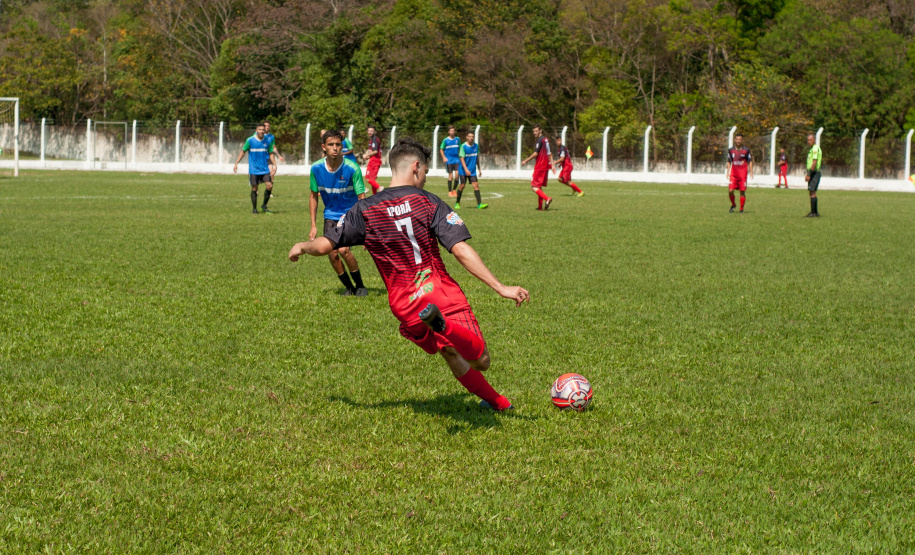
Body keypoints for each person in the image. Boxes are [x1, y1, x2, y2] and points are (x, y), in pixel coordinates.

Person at [289, 137, 529, 411]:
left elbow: (323, 245)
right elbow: (460, 249)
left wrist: (301, 246)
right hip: (439, 293)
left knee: (449, 351)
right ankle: (444, 326)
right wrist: (500, 287)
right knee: (480, 360)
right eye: (425, 172)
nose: (425, 179)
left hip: (404, 305)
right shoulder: (428, 202)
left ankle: (499, 404)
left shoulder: (364, 210)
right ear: (416, 167)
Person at [308, 129, 369, 296]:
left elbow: (362, 198)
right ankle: (349, 288)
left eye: (338, 145)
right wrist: (313, 225)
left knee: (343, 250)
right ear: (324, 147)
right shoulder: (316, 168)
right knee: (332, 253)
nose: (335, 148)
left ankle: (361, 286)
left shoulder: (351, 168)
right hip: (330, 215)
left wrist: (365, 226)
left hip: (349, 214)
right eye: (331, 145)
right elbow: (313, 196)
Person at [233, 123, 277, 214]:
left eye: (263, 130)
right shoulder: (250, 140)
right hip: (254, 169)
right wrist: (236, 163)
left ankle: (264, 206)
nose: (261, 131)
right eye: (259, 129)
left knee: (269, 186)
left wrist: (275, 165)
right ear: (256, 130)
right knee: (254, 189)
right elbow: (243, 151)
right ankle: (254, 209)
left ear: (265, 131)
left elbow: (271, 153)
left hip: (264, 169)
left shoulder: (267, 141)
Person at [520, 125, 553, 210]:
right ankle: (540, 207)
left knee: (533, 187)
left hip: (539, 166)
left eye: (536, 131)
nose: (534, 133)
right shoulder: (546, 140)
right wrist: (552, 165)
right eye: (533, 131)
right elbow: (550, 153)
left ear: (540, 131)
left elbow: (535, 154)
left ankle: (547, 198)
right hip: (545, 166)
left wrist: (525, 161)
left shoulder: (540, 140)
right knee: (539, 187)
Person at [455, 131, 488, 210]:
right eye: (469, 136)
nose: (471, 138)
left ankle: (479, 204)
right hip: (463, 170)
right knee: (462, 186)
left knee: (476, 185)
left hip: (472, 171)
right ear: (467, 137)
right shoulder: (463, 146)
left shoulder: (476, 146)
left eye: (472, 136)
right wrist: (466, 170)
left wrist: (479, 169)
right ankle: (457, 203)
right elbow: (462, 159)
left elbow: (477, 158)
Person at [726, 133, 753, 213]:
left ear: (742, 140)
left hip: (742, 174)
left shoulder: (746, 150)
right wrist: (727, 172)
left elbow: (750, 161)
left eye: (740, 139)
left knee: (742, 191)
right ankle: (733, 204)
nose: (738, 141)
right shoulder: (730, 150)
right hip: (733, 174)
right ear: (735, 140)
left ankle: (741, 208)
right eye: (737, 139)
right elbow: (729, 161)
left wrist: (751, 171)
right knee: (730, 190)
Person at [439, 126, 461, 197]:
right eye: (451, 131)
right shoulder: (445, 140)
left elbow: (460, 149)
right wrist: (444, 157)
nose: (452, 132)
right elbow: (441, 149)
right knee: (450, 176)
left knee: (457, 176)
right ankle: (449, 191)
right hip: (449, 160)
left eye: (453, 131)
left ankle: (454, 190)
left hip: (457, 160)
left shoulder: (458, 139)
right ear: (449, 132)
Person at [363, 125, 385, 195]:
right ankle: (374, 195)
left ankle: (380, 187)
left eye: (371, 131)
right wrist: (367, 156)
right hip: (374, 160)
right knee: (372, 180)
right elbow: (373, 151)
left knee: (368, 179)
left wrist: (367, 155)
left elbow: (375, 151)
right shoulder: (372, 139)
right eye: (369, 131)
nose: (370, 132)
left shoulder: (375, 139)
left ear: (374, 132)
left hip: (374, 161)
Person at [805, 134, 823, 217]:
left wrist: (809, 174)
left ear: (814, 140)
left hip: (814, 172)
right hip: (813, 172)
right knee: (812, 191)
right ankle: (815, 212)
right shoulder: (812, 149)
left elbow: (814, 162)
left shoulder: (815, 149)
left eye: (810, 140)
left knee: (812, 192)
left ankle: (813, 213)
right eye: (808, 140)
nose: (809, 141)